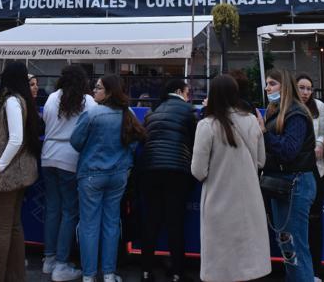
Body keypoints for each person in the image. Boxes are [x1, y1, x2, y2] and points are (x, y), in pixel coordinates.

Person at [191, 74, 270, 282]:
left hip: (218, 201)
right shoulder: (252, 120)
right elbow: (261, 160)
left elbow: (198, 170)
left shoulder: (207, 125)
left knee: (222, 267)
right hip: (249, 200)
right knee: (246, 263)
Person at [70, 74, 146, 282]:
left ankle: (89, 275)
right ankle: (110, 274)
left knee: (89, 225)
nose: (94, 91)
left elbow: (76, 142)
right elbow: (133, 143)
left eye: (98, 88)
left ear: (109, 91)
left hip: (91, 174)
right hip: (118, 175)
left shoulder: (92, 114)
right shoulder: (127, 113)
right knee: (112, 223)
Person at [0, 61, 43, 282]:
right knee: (14, 227)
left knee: (1, 232)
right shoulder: (23, 101)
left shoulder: (11, 102)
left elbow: (15, 139)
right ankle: (15, 276)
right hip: (19, 174)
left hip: (5, 176)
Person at [41, 65, 97, 280]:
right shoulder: (88, 101)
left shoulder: (52, 98)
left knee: (52, 209)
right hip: (71, 157)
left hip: (48, 155)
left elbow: (46, 121)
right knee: (69, 212)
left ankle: (49, 259)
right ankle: (62, 264)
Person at [138, 78, 197, 282]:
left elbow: (145, 139)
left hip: (150, 170)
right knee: (175, 223)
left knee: (152, 221)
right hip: (176, 171)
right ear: (180, 91)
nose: (189, 96)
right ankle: (177, 272)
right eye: (188, 92)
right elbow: (195, 141)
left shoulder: (153, 111)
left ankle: (146, 271)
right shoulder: (188, 111)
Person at [262, 68, 317, 282]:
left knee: (294, 247)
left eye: (272, 83)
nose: (267, 88)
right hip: (282, 182)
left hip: (296, 183)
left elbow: (288, 151)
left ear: (284, 86)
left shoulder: (296, 113)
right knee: (287, 245)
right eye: (267, 84)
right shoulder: (276, 111)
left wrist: (265, 134)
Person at [295, 73, 324, 279]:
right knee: (297, 224)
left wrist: (319, 144)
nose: (306, 92)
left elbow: (323, 132)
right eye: (301, 88)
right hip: (295, 169)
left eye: (308, 88)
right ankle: (299, 271)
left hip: (316, 169)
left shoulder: (319, 106)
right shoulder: (287, 105)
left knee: (314, 221)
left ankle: (315, 271)